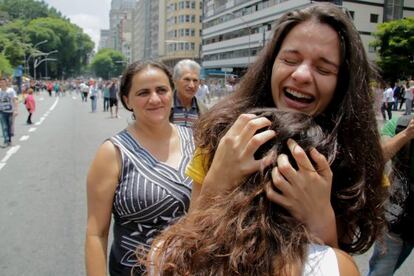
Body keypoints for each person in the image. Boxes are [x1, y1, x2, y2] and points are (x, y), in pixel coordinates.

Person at [184, 2, 385, 256]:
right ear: (271, 64)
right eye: (290, 60)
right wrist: (217, 182)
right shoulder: (225, 135)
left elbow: (337, 266)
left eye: (323, 69)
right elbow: (187, 249)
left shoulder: (354, 156)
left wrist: (321, 219)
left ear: (342, 83)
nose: (301, 75)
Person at [147, 109, 361, 275]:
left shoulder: (165, 253)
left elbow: (192, 238)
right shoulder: (334, 266)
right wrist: (324, 222)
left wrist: (213, 185)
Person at [85, 60, 195, 276]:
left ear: (172, 92)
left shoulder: (196, 141)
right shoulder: (113, 152)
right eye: (143, 93)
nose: (154, 99)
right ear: (127, 100)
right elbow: (96, 234)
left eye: (161, 90)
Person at [367, 110, 414, 276]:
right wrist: (407, 134)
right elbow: (377, 159)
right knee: (381, 271)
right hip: (396, 215)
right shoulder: (400, 124)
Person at [169, 59, 207, 127]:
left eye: (195, 80)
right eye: (187, 79)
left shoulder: (204, 111)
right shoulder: (164, 106)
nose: (191, 86)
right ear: (175, 80)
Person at [0, 78, 18, 147]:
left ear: (6, 83)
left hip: (10, 111)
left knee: (9, 126)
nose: (2, 84)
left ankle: (9, 140)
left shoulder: (11, 91)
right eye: (0, 82)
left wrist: (16, 110)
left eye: (3, 82)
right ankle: (6, 141)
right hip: (2, 111)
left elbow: (15, 100)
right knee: (4, 127)